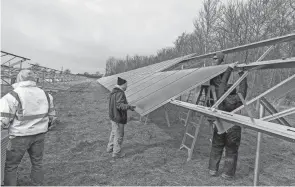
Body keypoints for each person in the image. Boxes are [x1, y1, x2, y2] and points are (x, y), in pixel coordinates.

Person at [0, 70, 56, 186]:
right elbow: (51, 117)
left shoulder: (12, 96)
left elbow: (3, 121)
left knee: (11, 166)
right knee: (37, 163)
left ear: (18, 79)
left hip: (18, 137)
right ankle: (37, 184)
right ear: (34, 79)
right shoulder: (46, 95)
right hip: (40, 135)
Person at [208, 66, 248, 179]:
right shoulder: (239, 98)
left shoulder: (221, 97)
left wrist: (229, 69)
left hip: (220, 124)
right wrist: (241, 74)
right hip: (233, 127)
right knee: (231, 150)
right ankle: (227, 174)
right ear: (235, 91)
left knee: (216, 146)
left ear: (225, 90)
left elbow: (222, 84)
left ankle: (212, 170)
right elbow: (243, 89)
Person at [107, 77, 136, 159]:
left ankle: (110, 148)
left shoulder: (114, 92)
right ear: (122, 85)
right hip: (118, 117)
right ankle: (116, 153)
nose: (127, 87)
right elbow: (119, 105)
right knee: (119, 135)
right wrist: (129, 107)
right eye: (126, 85)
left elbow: (116, 104)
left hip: (113, 116)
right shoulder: (120, 93)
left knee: (113, 133)